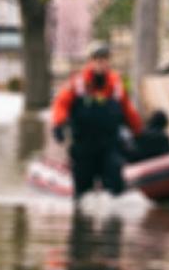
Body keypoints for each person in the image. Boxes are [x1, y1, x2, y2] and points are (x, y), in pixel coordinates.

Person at [51, 45, 143, 199]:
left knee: (115, 185)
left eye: (105, 59)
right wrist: (59, 124)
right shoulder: (77, 83)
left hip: (109, 145)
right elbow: (61, 104)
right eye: (98, 60)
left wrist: (139, 132)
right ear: (91, 62)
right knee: (82, 193)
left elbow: (128, 110)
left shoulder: (115, 85)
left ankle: (114, 219)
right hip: (84, 146)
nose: (102, 63)